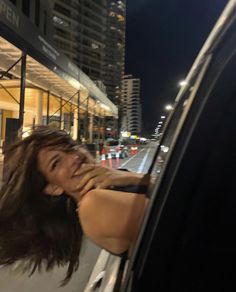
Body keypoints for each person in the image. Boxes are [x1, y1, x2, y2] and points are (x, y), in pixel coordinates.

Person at [0, 126, 150, 285]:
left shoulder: (107, 188)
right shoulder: (94, 204)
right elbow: (171, 211)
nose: (74, 157)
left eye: (70, 147)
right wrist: (133, 178)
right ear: (54, 188)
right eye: (56, 163)